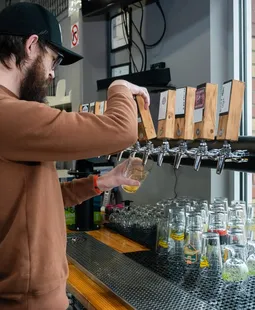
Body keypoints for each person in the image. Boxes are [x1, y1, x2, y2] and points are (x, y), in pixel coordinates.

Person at [0, 2, 149, 310]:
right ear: (31, 46)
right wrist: (118, 86)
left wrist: (103, 182)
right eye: (53, 59)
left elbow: (36, 199)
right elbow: (121, 130)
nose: (52, 73)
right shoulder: (10, 114)